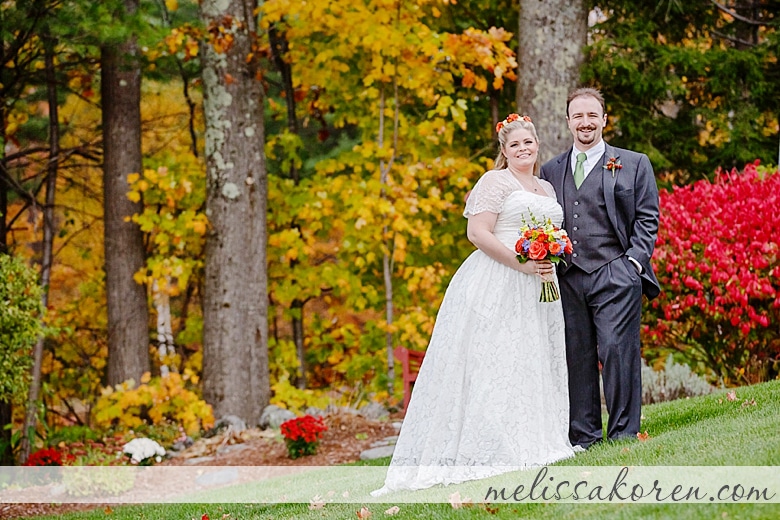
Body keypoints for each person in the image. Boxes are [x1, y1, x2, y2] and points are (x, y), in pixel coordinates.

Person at [371, 115, 578, 496]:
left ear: (536, 144)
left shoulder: (547, 187)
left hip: (540, 286)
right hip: (499, 281)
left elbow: (554, 232)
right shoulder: (494, 181)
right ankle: (489, 449)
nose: (523, 149)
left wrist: (550, 256)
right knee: (495, 361)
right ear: (504, 150)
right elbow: (477, 232)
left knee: (532, 360)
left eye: (528, 143)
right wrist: (522, 262)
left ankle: (535, 439)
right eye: (514, 145)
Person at [540, 87, 660, 449]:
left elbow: (647, 218)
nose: (585, 122)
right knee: (577, 356)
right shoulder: (550, 169)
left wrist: (633, 263)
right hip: (569, 277)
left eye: (592, 115)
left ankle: (623, 432)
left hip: (616, 273)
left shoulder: (634, 163)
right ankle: (585, 436)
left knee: (616, 350)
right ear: (568, 122)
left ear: (605, 120)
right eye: (578, 116)